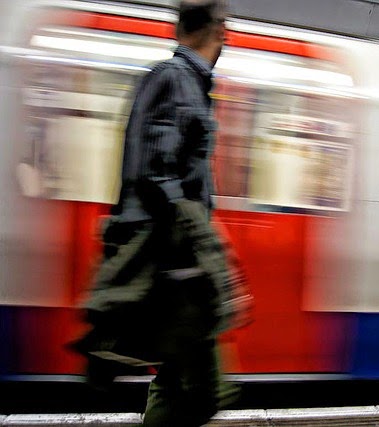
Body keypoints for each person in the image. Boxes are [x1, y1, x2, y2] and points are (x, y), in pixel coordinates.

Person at [71, 1, 253, 426]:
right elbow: (157, 175)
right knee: (205, 388)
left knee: (176, 379)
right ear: (220, 30)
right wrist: (205, 248)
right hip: (175, 263)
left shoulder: (187, 83)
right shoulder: (176, 80)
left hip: (176, 261)